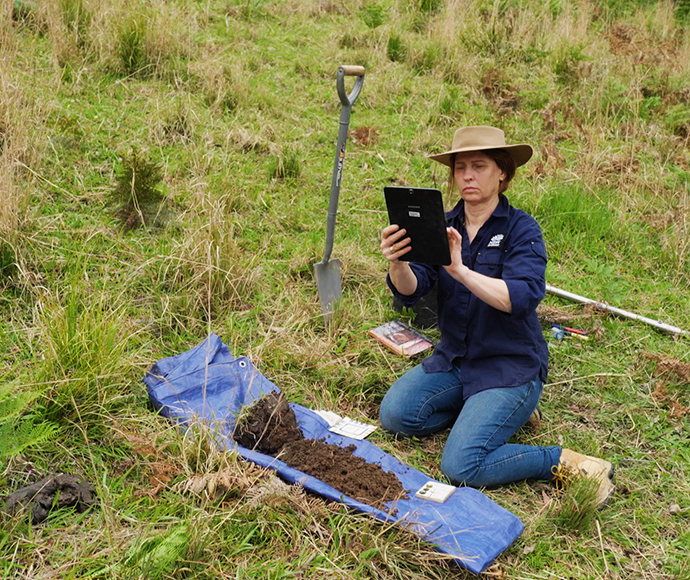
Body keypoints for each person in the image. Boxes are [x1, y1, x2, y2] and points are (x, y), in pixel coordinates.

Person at [378, 126, 615, 505]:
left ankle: (563, 461)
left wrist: (461, 272)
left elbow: (519, 299)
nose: (467, 176)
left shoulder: (523, 230)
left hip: (509, 368)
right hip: (456, 360)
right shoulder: (443, 225)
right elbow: (413, 289)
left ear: (502, 172)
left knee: (462, 466)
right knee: (396, 416)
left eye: (479, 166)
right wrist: (397, 263)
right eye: (460, 168)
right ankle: (489, 416)